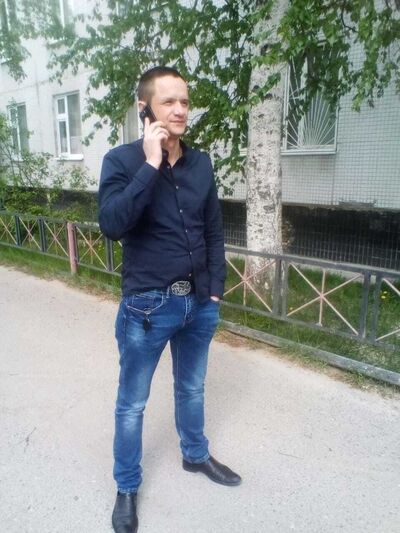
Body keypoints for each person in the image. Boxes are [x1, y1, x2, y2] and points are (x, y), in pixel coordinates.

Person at [99, 66, 241, 533]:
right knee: (132, 405)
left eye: (184, 101)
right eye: (168, 102)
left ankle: (195, 455)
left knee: (192, 388)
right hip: (147, 307)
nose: (180, 110)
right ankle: (126, 486)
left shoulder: (201, 164)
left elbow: (213, 231)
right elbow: (112, 224)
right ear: (145, 109)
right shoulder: (121, 162)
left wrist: (215, 291)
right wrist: (150, 163)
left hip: (198, 303)